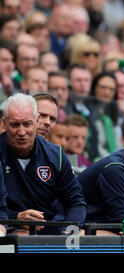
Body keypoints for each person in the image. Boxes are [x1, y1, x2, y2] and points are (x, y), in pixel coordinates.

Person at [0, 93, 86, 235]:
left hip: (50, 230)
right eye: (15, 125)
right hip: (9, 229)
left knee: (80, 237)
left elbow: (76, 201)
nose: (22, 132)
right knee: (22, 237)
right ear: (4, 123)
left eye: (27, 124)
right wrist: (16, 218)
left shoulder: (55, 155)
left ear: (36, 120)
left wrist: (71, 230)